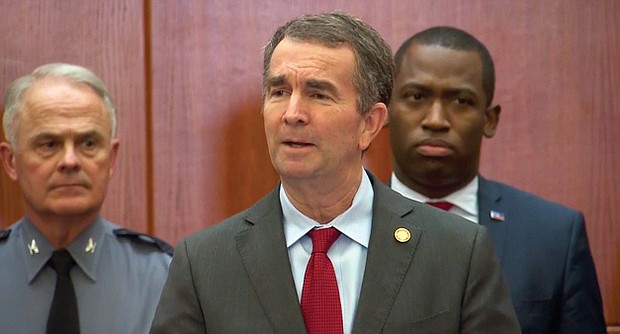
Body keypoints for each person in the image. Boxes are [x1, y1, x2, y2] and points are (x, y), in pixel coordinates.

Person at [150, 12, 520, 333]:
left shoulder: (458, 252)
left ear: (370, 124)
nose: (292, 113)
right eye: (279, 91)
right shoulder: (204, 264)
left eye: (318, 94)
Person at [388, 26, 606, 333]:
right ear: (383, 112)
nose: (435, 119)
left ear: (489, 120)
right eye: (416, 96)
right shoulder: (347, 227)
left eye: (461, 101)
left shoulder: (554, 237)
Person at [0, 63, 173, 334]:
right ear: (11, 162)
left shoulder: (162, 277)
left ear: (112, 158)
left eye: (88, 143)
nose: (69, 161)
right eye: (49, 144)